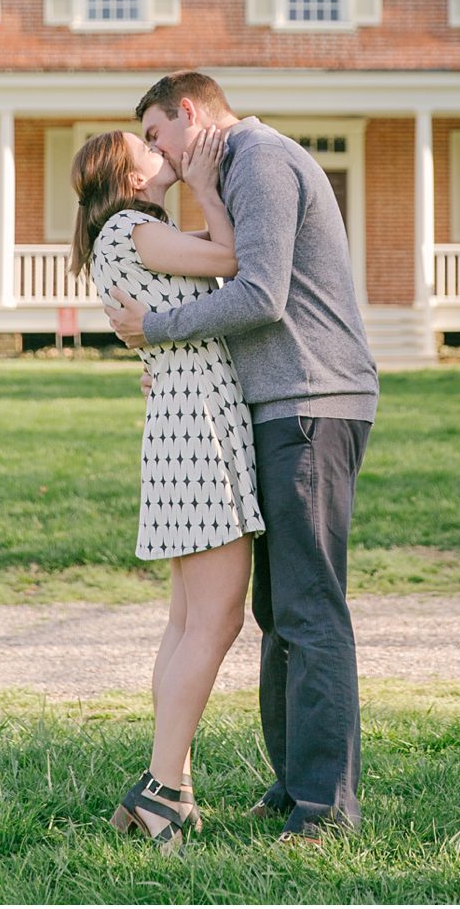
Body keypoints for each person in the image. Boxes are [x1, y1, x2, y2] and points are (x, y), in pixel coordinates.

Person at [101, 71, 380, 842]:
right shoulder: (234, 173)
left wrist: (155, 331)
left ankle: (328, 807)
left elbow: (261, 293)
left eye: (157, 136)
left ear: (187, 113)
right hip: (276, 404)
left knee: (308, 608)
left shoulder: (258, 159)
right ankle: (296, 786)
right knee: (275, 610)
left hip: (313, 401)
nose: (157, 157)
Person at [71, 123, 261, 854]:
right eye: (146, 145)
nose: (162, 150)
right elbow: (239, 256)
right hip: (196, 428)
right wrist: (210, 186)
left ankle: (165, 782)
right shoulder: (135, 228)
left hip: (183, 418)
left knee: (187, 622)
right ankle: (162, 788)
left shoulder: (127, 232)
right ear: (130, 175)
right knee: (216, 621)